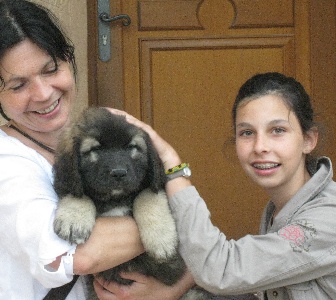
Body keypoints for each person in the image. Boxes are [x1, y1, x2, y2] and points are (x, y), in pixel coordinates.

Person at [0, 0, 195, 299]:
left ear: (68, 60)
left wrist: (182, 281)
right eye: (19, 85)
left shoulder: (100, 131)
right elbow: (80, 255)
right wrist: (177, 208)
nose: (43, 94)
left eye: (51, 69)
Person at [103, 72, 336, 299]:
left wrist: (173, 167)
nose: (260, 146)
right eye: (247, 132)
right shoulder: (282, 209)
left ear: (308, 140)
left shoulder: (328, 218)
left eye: (278, 130)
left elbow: (221, 269)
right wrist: (178, 286)